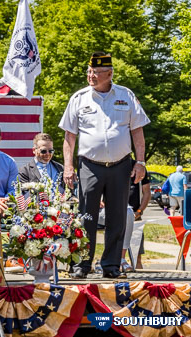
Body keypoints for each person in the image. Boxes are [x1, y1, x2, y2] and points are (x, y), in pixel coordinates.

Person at [60, 51, 150, 279]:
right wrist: (68, 167)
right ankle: (81, 264)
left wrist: (140, 162)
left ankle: (111, 266)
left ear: (109, 74)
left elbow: (137, 132)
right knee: (85, 217)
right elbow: (70, 137)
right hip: (90, 165)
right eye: (89, 71)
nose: (91, 76)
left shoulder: (126, 95)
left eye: (97, 72)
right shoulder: (79, 98)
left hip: (121, 166)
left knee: (117, 217)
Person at [119, 158, 151, 271]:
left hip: (135, 213)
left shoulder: (138, 168)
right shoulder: (112, 166)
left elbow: (147, 193)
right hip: (115, 211)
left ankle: (138, 266)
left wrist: (139, 211)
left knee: (137, 241)